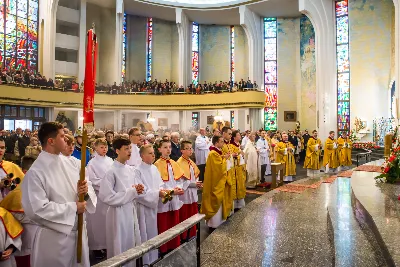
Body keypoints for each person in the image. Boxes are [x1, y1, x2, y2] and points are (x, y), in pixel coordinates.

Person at [21, 122, 96, 267]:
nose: (67, 139)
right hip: (53, 240)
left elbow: (86, 189)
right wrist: (73, 208)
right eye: (62, 136)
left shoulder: (73, 164)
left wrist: (85, 192)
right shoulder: (36, 172)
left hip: (78, 233)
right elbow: (36, 209)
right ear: (51, 141)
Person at [99, 137, 144, 264]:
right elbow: (107, 197)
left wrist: (139, 189)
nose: (129, 151)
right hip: (117, 213)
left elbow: (135, 188)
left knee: (130, 242)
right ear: (117, 150)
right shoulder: (111, 171)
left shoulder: (130, 169)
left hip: (130, 210)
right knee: (119, 244)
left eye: (130, 148)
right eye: (126, 149)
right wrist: (132, 192)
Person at [134, 145, 165, 265]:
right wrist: (158, 193)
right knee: (144, 233)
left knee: (153, 232)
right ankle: (145, 261)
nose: (153, 155)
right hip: (143, 207)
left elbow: (160, 184)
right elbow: (140, 192)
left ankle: (153, 258)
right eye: (150, 153)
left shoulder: (154, 168)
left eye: (153, 153)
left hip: (153, 205)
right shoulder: (137, 170)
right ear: (142, 155)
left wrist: (162, 191)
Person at [154, 140, 185, 254]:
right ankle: (164, 247)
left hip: (175, 195)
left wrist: (178, 187)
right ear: (159, 149)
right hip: (164, 197)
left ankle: (175, 244)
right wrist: (171, 191)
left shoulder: (174, 162)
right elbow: (158, 183)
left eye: (169, 147)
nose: (168, 149)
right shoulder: (156, 165)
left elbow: (179, 179)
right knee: (164, 222)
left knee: (174, 220)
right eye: (165, 147)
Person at [86, 138, 114, 259]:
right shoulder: (92, 163)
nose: (104, 149)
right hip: (99, 196)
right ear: (95, 148)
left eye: (106, 147)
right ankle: (97, 247)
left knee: (107, 223)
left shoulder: (110, 160)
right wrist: (106, 184)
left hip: (110, 196)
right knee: (97, 223)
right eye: (101, 147)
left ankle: (107, 245)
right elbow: (92, 180)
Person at [200, 136, 232, 230]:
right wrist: (225, 159)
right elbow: (218, 168)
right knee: (215, 200)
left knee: (221, 201)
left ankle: (220, 221)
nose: (223, 143)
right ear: (216, 143)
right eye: (221, 141)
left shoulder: (218, 152)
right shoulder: (213, 153)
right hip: (215, 182)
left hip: (219, 181)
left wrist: (224, 158)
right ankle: (213, 223)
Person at [177, 141, 202, 240]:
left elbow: (194, 176)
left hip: (193, 192)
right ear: (182, 150)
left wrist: (197, 184)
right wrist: (192, 184)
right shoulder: (179, 163)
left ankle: (192, 233)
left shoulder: (191, 162)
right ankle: (184, 235)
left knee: (193, 213)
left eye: (191, 148)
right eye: (187, 148)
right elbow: (179, 182)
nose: (190, 150)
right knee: (185, 215)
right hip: (185, 195)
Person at [229, 130, 246, 211]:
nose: (240, 136)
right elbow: (232, 157)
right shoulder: (231, 146)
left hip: (240, 168)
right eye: (238, 135)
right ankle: (236, 204)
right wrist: (239, 154)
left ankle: (240, 202)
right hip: (236, 169)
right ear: (234, 137)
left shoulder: (238, 145)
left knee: (241, 183)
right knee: (236, 185)